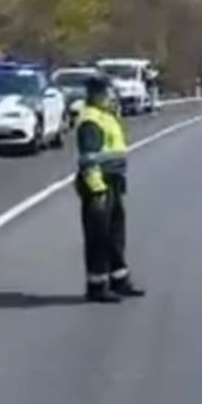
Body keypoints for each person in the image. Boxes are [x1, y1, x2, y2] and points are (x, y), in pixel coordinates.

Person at [75, 73, 145, 303]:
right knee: (99, 237)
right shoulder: (91, 120)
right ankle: (97, 285)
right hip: (99, 185)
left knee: (115, 235)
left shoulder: (106, 115)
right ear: (97, 94)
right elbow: (89, 159)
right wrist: (97, 190)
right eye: (108, 92)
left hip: (112, 181)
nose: (112, 96)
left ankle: (119, 279)